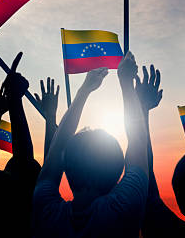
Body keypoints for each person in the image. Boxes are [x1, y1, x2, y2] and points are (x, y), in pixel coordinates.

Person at [32, 51, 149, 238]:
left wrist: (84, 90)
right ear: (119, 169)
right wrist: (126, 83)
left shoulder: (47, 213)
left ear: (66, 166)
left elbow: (54, 153)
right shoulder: (125, 209)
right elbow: (138, 141)